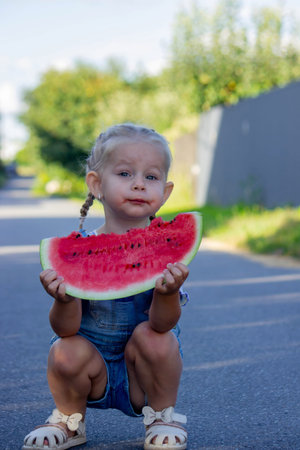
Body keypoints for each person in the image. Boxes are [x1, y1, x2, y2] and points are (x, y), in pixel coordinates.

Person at [23, 123, 189, 450]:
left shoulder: (165, 252)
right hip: (92, 371)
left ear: (165, 193)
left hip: (141, 378)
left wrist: (167, 294)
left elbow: (163, 324)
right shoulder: (77, 250)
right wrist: (64, 298)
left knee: (157, 339)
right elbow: (65, 329)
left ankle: (161, 417)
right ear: (96, 184)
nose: (139, 184)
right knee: (64, 349)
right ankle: (70, 420)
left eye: (151, 177)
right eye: (125, 174)